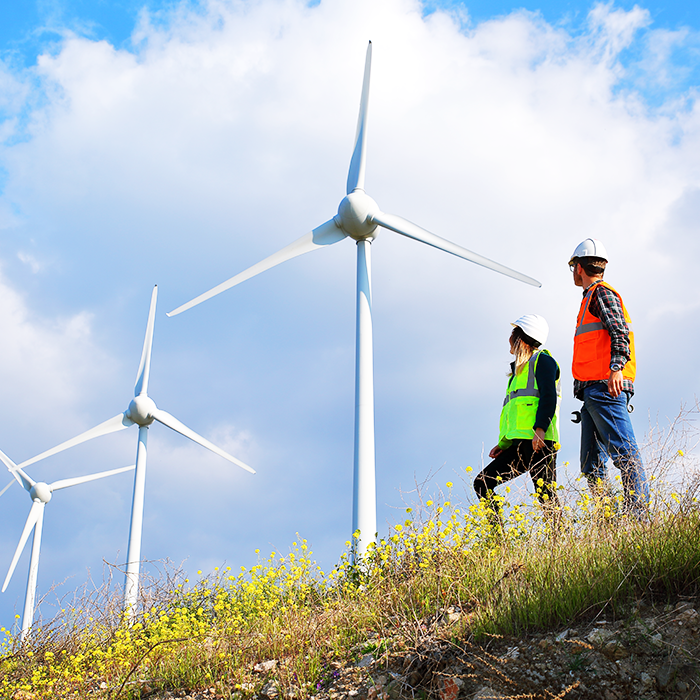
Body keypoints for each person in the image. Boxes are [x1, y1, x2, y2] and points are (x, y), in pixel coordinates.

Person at [569, 238, 649, 513]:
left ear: (579, 268)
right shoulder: (592, 296)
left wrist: (616, 368)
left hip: (606, 386)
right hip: (593, 390)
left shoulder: (601, 294)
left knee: (624, 453)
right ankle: (606, 520)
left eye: (572, 268)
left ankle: (638, 519)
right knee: (591, 463)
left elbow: (619, 332)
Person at [474, 314, 561, 515]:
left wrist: (540, 429)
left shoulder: (544, 361)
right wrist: (505, 445)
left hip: (539, 441)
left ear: (521, 338)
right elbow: (516, 414)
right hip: (520, 444)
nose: (509, 339)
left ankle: (559, 540)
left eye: (513, 333)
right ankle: (498, 540)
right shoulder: (517, 372)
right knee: (482, 483)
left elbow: (549, 398)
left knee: (546, 496)